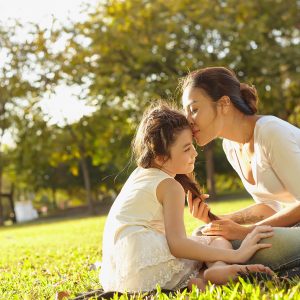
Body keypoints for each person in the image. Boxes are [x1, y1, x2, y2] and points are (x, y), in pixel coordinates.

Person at [99, 102, 274, 293]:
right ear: (160, 156)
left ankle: (202, 282)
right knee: (213, 238)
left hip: (122, 273)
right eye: (186, 148)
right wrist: (238, 255)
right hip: (147, 258)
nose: (194, 152)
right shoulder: (170, 186)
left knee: (196, 259)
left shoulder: (140, 175)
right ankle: (219, 269)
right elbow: (178, 245)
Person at [180, 66, 300, 273]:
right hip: (292, 229)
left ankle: (228, 268)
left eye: (194, 109)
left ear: (224, 103)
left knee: (250, 248)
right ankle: (226, 269)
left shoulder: (271, 132)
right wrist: (217, 221)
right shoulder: (231, 146)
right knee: (203, 234)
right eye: (186, 112)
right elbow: (269, 208)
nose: (188, 120)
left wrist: (245, 232)